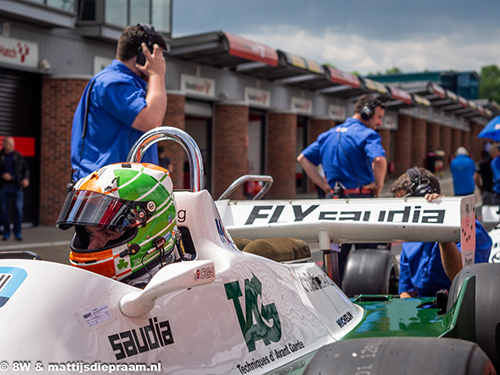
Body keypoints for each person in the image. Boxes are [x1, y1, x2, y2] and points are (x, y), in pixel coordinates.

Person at [297, 94, 388, 285]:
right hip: (361, 203)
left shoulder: (328, 135)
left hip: (333, 203)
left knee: (333, 260)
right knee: (368, 262)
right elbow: (379, 161)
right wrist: (378, 185)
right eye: (378, 117)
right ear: (367, 113)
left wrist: (323, 185)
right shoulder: (368, 135)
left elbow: (303, 159)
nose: (380, 122)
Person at [57, 162, 190, 288]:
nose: (92, 245)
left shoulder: (179, 289)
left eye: (108, 234)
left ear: (150, 230)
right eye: (90, 233)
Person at [70, 24, 168, 181]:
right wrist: (157, 74)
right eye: (158, 56)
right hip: (109, 193)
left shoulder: (119, 82)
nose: (161, 62)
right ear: (143, 56)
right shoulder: (112, 83)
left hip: (118, 190)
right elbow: (152, 121)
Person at [389, 167, 491, 298]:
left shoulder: (471, 230)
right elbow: (407, 292)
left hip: (460, 308)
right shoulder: (410, 238)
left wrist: (442, 227)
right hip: (422, 313)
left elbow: (462, 280)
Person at [0, 137, 30, 241]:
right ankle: (6, 232)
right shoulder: (1, 156)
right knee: (4, 211)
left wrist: (26, 179)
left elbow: (25, 169)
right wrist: (2, 176)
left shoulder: (17, 155)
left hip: (17, 186)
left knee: (18, 209)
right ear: (4, 145)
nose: (11, 146)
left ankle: (17, 232)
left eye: (12, 144)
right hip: (4, 187)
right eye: (9, 144)